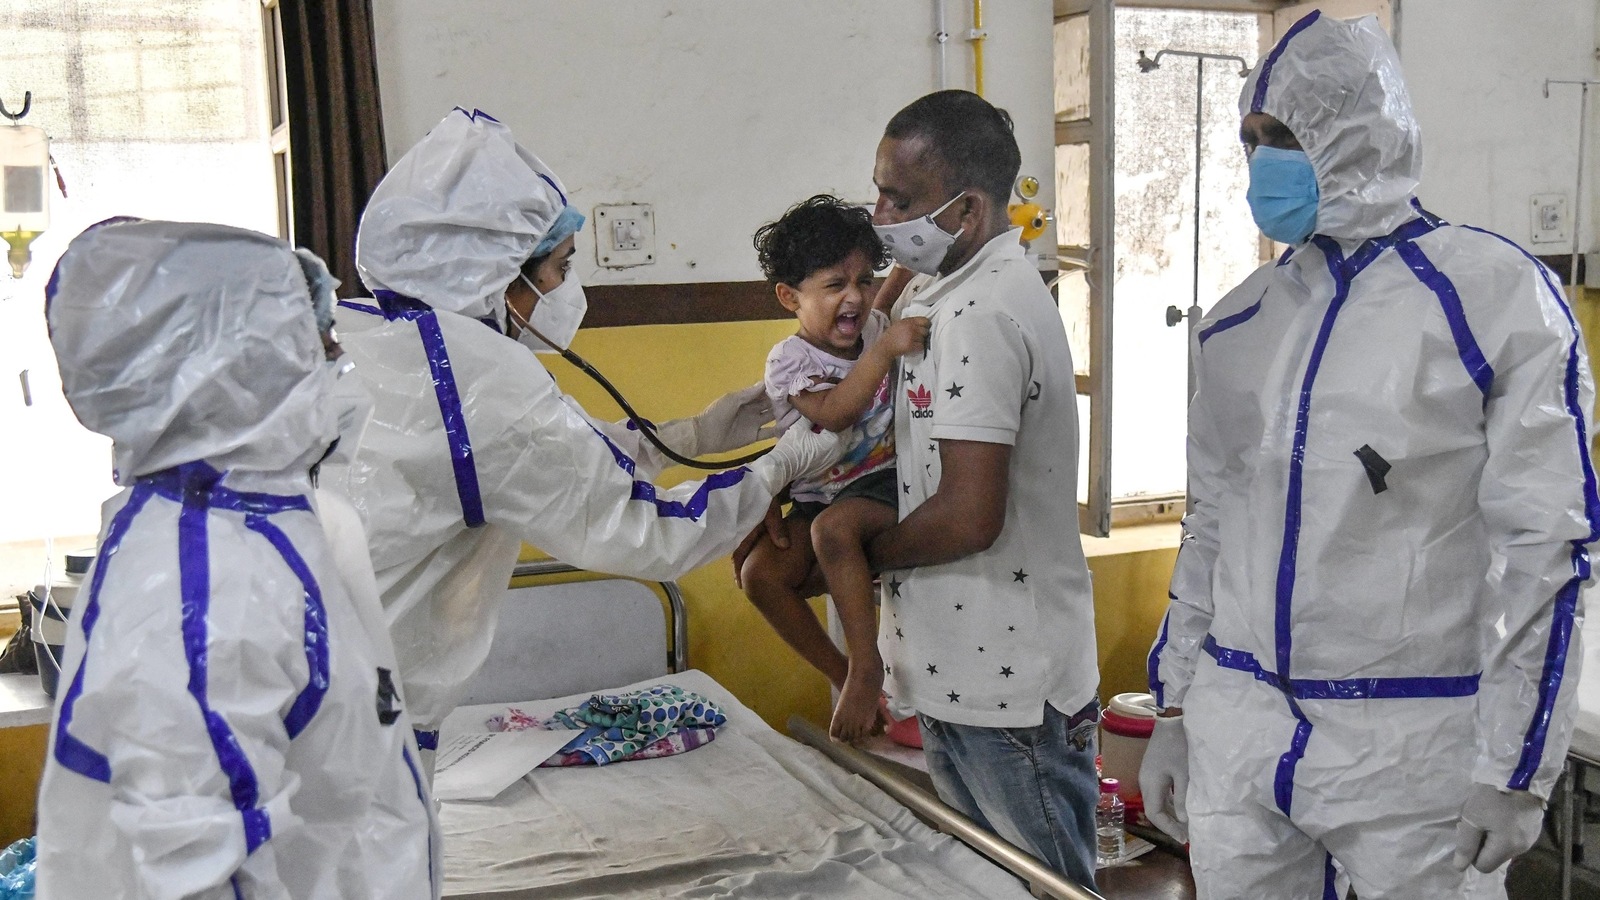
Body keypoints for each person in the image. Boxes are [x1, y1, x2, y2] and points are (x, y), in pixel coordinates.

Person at [1140, 13, 1597, 899]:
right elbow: (1212, 527)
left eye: (1284, 137)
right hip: (1243, 728)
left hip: (1414, 747)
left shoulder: (1495, 302)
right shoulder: (1239, 324)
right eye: (1251, 139)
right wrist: (1177, 703)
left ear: (1359, 133)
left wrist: (1517, 766)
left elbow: (1549, 546)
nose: (1262, 162)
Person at [323, 108, 844, 766]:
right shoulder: (485, 388)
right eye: (560, 266)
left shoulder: (378, 339)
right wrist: (778, 467)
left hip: (314, 682)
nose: (567, 288)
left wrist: (698, 433)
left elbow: (563, 456)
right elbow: (647, 534)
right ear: (500, 274)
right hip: (360, 725)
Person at [36, 219, 439, 899]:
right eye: (321, 344)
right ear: (241, 369)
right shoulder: (203, 591)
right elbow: (196, 875)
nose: (341, 364)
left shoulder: (259, 526)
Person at [865, 89, 1102, 888]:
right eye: (879, 193)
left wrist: (861, 556)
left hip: (1008, 683)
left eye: (900, 200)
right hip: (960, 671)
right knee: (986, 884)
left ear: (966, 210)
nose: (881, 216)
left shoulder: (984, 312)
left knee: (1046, 885)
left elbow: (969, 515)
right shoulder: (944, 293)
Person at [735, 195, 929, 742]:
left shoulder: (874, 325)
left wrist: (904, 267)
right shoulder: (790, 361)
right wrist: (885, 349)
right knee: (759, 575)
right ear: (789, 297)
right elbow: (837, 412)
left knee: (834, 530)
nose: (856, 296)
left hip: (881, 483)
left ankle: (867, 664)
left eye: (864, 280)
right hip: (818, 492)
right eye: (835, 285)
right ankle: (842, 672)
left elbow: (879, 309)